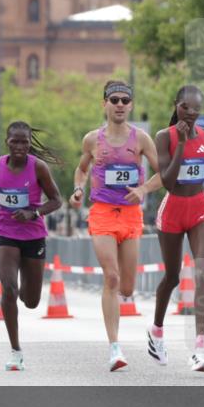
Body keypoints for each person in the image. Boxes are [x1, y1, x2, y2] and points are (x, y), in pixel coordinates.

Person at [69, 80, 163, 371]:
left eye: (125, 100)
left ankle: (145, 330)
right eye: (114, 100)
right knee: (111, 277)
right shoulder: (92, 140)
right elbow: (82, 169)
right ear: (105, 104)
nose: (120, 105)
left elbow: (164, 174)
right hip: (102, 213)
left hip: (131, 215)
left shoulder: (142, 140)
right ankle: (114, 348)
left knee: (127, 286)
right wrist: (78, 189)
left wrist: (144, 190)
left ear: (131, 105)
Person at [0, 121, 63, 372]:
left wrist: (34, 213)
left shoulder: (38, 168)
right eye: (15, 141)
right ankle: (15, 351)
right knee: (8, 290)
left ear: (30, 143)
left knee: (31, 301)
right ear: (7, 142)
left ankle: (24, 288)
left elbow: (56, 200)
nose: (20, 146)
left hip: (33, 236)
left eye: (24, 142)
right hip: (7, 235)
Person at [148, 85, 204, 373]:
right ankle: (156, 330)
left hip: (199, 207)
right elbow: (168, 182)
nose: (191, 113)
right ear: (176, 106)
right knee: (171, 278)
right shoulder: (163, 137)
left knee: (203, 269)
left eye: (196, 108)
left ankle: (200, 348)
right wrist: (181, 143)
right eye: (185, 107)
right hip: (172, 210)